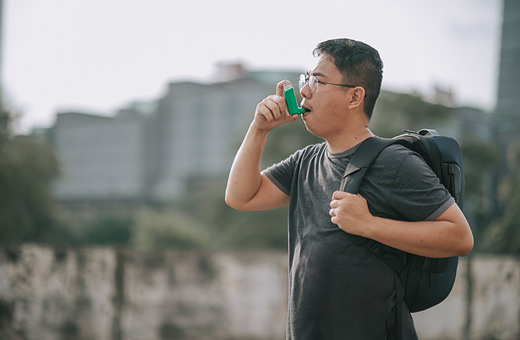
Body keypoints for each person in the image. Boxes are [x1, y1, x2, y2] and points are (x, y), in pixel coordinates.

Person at [225, 38, 474, 339]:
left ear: (355, 97)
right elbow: (241, 196)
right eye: (307, 79)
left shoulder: (394, 162)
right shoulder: (307, 160)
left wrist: (368, 225)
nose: (303, 90)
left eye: (317, 81)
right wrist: (259, 129)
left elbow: (459, 237)